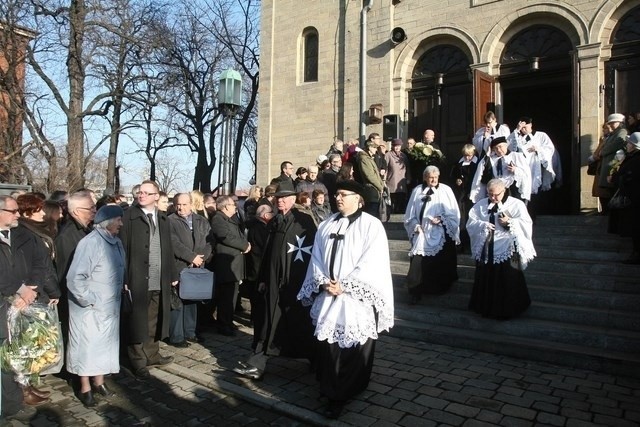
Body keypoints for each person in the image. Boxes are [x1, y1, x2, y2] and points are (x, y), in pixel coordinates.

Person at [297, 180, 394, 419]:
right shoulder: (327, 224)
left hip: (355, 299)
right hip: (329, 294)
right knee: (329, 347)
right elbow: (316, 257)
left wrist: (346, 285)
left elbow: (374, 261)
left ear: (358, 198)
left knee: (352, 348)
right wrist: (322, 281)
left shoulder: (371, 226)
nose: (337, 198)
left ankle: (341, 394)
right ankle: (332, 389)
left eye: (343, 194)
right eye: (336, 194)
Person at [233, 180, 317, 381]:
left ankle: (316, 357)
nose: (281, 201)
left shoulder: (303, 221)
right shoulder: (275, 221)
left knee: (298, 323)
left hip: (294, 283)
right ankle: (257, 363)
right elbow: (268, 253)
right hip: (272, 283)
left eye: (285, 198)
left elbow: (311, 252)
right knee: (267, 321)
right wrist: (263, 278)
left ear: (293, 199)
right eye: (278, 198)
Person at [66, 205, 125, 407]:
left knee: (104, 346)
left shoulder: (115, 242)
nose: (121, 224)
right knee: (87, 348)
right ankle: (85, 387)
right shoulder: (90, 243)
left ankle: (99, 382)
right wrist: (90, 300)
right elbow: (75, 278)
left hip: (109, 307)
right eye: (119, 219)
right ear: (108, 221)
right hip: (89, 309)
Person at [119, 180, 177, 379]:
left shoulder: (163, 218)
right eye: (139, 192)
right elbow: (122, 249)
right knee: (136, 320)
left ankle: (152, 354)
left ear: (156, 197)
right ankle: (137, 360)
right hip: (136, 278)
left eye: (146, 193)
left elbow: (168, 248)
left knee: (154, 318)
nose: (141, 195)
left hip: (158, 278)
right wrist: (124, 277)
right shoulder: (128, 217)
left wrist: (172, 275)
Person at [0, 195, 50, 420]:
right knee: (4, 357)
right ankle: (8, 406)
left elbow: (41, 262)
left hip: (24, 304)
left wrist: (32, 288)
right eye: (13, 211)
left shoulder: (23, 234)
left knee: (21, 353)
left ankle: (17, 398)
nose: (18, 214)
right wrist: (19, 289)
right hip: (4, 304)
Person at [467, 179, 535, 319]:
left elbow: (526, 223)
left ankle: (511, 308)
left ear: (504, 191)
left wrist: (510, 222)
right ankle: (486, 307)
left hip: (509, 248)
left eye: (497, 194)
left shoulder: (516, 204)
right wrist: (482, 225)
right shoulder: (480, 205)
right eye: (490, 194)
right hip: (487, 247)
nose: (493, 198)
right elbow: (471, 222)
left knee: (511, 277)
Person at [404, 166, 460, 304]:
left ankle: (438, 289)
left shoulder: (446, 190)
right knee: (418, 263)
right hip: (422, 232)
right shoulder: (417, 191)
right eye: (430, 177)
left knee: (439, 262)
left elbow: (454, 213)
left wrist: (442, 219)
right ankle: (415, 291)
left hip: (441, 231)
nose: (434, 180)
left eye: (436, 177)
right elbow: (410, 213)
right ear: (425, 178)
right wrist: (415, 225)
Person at [168, 193, 213, 346]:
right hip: (180, 266)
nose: (181, 207)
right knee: (178, 302)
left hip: (198, 266)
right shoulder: (170, 221)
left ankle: (190, 332)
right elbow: (173, 243)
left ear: (191, 204)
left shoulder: (202, 221)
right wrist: (191, 257)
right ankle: (177, 336)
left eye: (184, 204)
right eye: (178, 204)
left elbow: (210, 241)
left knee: (192, 300)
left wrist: (202, 257)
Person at [54, 191, 96, 354]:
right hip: (74, 299)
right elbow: (65, 272)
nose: (94, 211)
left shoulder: (87, 230)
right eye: (90, 208)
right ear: (77, 211)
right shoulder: (67, 236)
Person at [210, 195, 251, 336]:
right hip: (225, 265)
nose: (235, 206)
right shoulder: (218, 219)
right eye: (233, 204)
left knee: (232, 296)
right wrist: (244, 245)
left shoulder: (230, 219)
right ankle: (223, 324)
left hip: (234, 263)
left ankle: (228, 321)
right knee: (225, 297)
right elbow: (225, 236)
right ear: (226, 206)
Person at [507, 116, 557, 217]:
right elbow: (509, 146)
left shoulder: (541, 135)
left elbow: (550, 149)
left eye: (525, 127)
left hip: (534, 167)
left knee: (534, 192)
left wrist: (538, 149)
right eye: (522, 127)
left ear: (531, 125)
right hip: (520, 169)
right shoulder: (516, 136)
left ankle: (533, 215)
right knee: (520, 192)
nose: (523, 129)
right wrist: (516, 130)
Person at [608, 132, 640, 264]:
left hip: (634, 200)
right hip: (633, 199)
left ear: (633, 145)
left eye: (629, 143)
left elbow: (627, 176)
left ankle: (637, 254)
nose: (627, 145)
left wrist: (615, 178)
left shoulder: (636, 159)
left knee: (636, 229)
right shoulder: (631, 158)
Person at [470, 136, 531, 204]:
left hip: (512, 189)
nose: (499, 150)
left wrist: (515, 170)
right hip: (497, 191)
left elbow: (526, 174)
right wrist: (487, 154)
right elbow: (483, 173)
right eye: (496, 148)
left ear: (506, 145)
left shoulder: (516, 156)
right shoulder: (491, 159)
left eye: (500, 146)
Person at [244, 204, 275, 334]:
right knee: (257, 297)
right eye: (271, 212)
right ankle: (256, 319)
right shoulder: (260, 228)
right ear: (266, 215)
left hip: (254, 265)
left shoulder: (255, 225)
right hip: (257, 266)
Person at [594, 113, 628, 213]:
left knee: (610, 193)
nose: (611, 125)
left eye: (613, 123)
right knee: (605, 193)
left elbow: (616, 145)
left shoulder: (622, 132)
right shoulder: (614, 133)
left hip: (612, 166)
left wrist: (602, 152)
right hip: (607, 167)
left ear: (620, 122)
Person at [449, 144, 479, 252]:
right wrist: (457, 180)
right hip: (461, 194)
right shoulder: (459, 164)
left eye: (469, 155)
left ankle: (470, 245)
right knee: (461, 218)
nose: (467, 158)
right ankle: (460, 244)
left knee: (470, 218)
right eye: (465, 155)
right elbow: (453, 176)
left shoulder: (477, 163)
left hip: (472, 194)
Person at [354, 133, 385, 218]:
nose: (376, 150)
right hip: (371, 190)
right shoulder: (364, 159)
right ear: (370, 148)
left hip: (375, 190)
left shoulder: (369, 158)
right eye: (374, 148)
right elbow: (369, 175)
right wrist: (380, 186)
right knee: (372, 214)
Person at [385, 138, 410, 215]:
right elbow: (385, 168)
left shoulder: (403, 156)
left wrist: (409, 178)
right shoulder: (388, 155)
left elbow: (407, 168)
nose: (397, 147)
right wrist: (383, 181)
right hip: (391, 181)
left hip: (401, 182)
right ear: (392, 146)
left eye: (398, 146)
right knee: (392, 200)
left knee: (401, 200)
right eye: (395, 145)